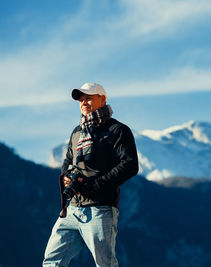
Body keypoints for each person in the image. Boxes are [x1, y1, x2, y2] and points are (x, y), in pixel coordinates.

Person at [43, 82, 139, 266]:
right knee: (51, 261)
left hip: (100, 209)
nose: (83, 102)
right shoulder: (77, 132)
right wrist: (66, 177)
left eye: (89, 98)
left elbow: (130, 165)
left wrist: (96, 185)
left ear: (102, 99)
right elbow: (68, 160)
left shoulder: (117, 130)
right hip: (71, 210)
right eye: (80, 99)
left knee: (104, 264)